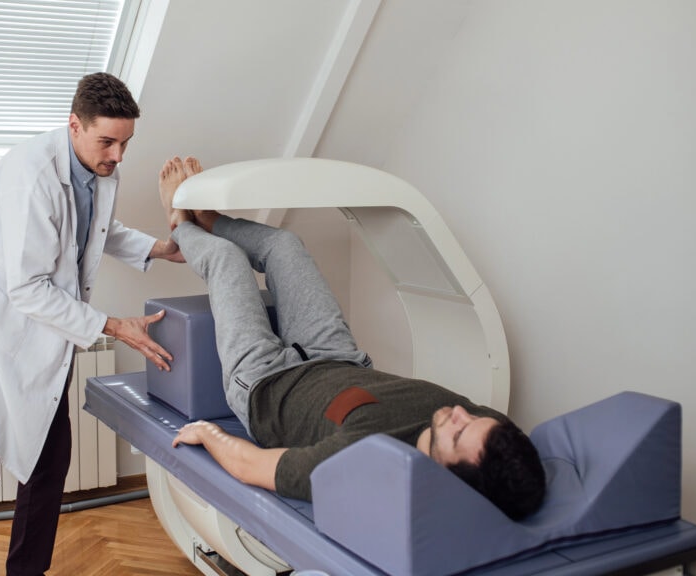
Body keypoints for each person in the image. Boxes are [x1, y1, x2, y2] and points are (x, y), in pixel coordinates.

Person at [159, 157, 546, 521]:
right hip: (337, 356)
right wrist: (476, 431)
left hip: (264, 386)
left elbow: (249, 466)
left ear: (448, 475)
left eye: (459, 432)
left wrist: (208, 432)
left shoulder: (364, 463)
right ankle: (211, 221)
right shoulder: (486, 435)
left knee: (226, 260)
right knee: (286, 246)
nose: (461, 412)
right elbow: (513, 463)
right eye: (474, 417)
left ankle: (181, 227)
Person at [0, 73, 183, 576]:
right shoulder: (32, 176)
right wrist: (114, 326)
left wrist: (161, 247)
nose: (117, 156)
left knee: (48, 466)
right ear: (74, 124)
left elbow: (91, 230)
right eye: (107, 141)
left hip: (45, 333)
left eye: (125, 143)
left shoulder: (96, 166)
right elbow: (25, 287)